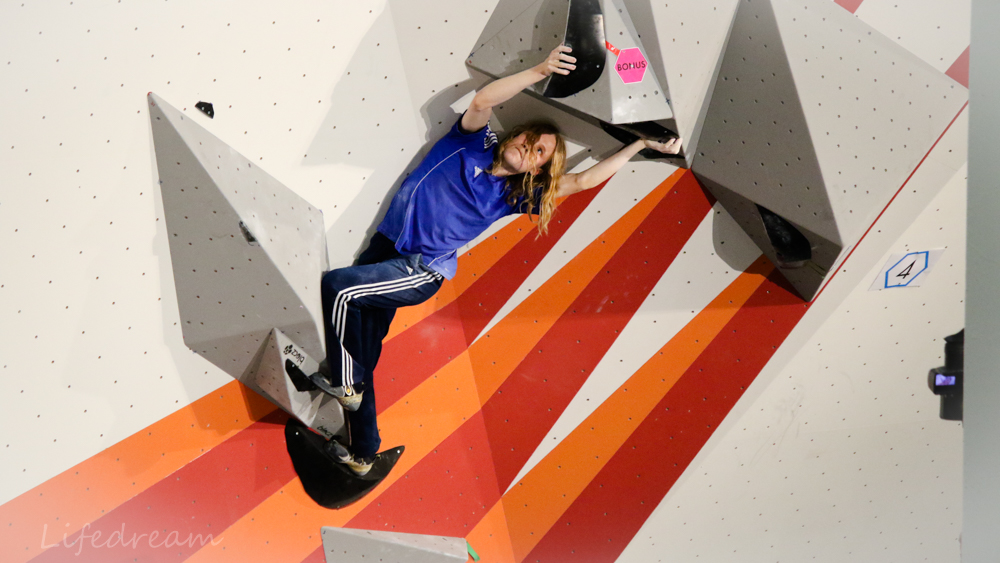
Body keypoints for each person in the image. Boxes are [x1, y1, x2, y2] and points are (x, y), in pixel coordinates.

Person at [287, 44, 682, 476]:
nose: (530, 149)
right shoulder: (472, 142)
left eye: (540, 153)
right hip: (386, 247)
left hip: (419, 269)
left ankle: (347, 383)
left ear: (537, 171)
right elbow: (483, 100)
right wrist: (540, 70)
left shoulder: (514, 195)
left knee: (339, 288)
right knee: (363, 350)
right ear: (513, 136)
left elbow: (583, 179)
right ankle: (365, 450)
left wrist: (639, 144)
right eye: (529, 139)